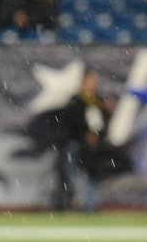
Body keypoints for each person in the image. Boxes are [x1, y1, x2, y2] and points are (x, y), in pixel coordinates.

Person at [52, 70, 125, 213]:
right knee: (72, 175)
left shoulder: (98, 102)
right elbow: (69, 123)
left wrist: (106, 116)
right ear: (83, 82)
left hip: (94, 147)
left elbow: (102, 124)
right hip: (75, 143)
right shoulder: (76, 101)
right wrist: (84, 134)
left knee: (93, 174)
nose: (93, 85)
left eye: (94, 82)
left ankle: (89, 205)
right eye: (90, 81)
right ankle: (72, 203)